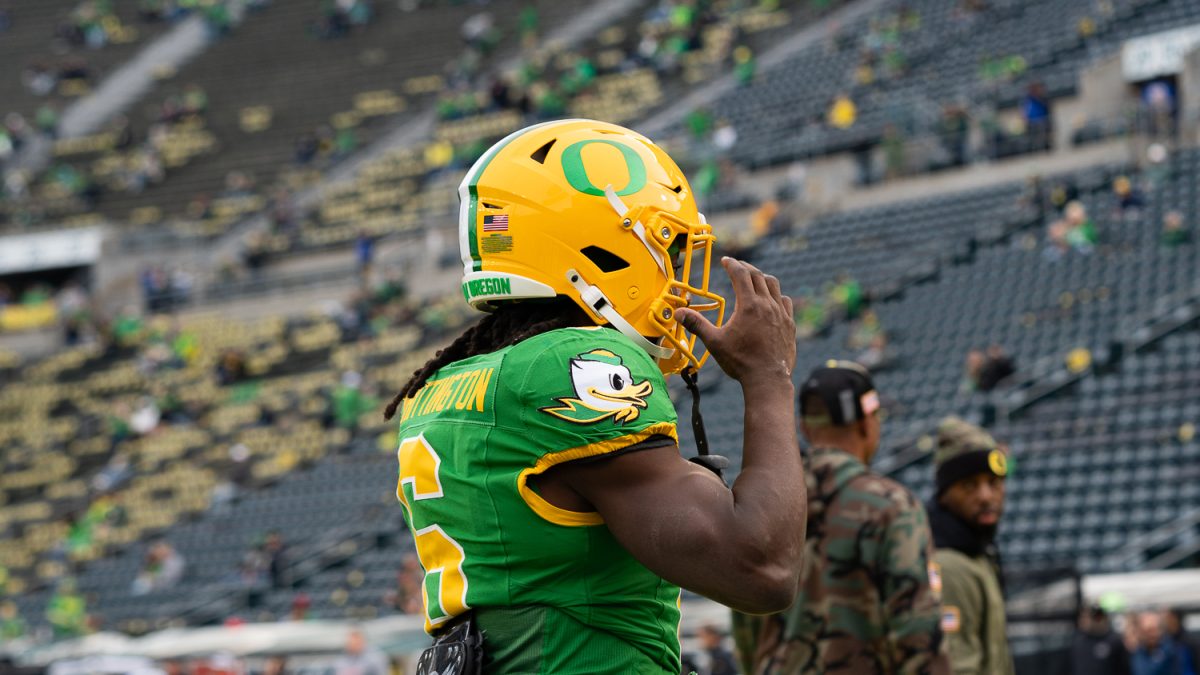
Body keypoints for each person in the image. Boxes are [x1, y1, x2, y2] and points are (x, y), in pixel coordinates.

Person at [386, 119, 806, 674]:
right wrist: (768, 379)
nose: (677, 277)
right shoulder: (567, 363)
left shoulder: (442, 387)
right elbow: (762, 567)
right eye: (668, 252)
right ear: (600, 245)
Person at [734, 361, 946, 674]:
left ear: (805, 427)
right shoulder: (891, 506)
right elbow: (919, 633)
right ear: (866, 423)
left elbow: (746, 628)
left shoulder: (764, 502)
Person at [927, 418, 1014, 675]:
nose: (986, 496)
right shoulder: (948, 565)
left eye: (994, 483)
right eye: (969, 485)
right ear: (944, 494)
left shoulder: (976, 552)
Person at [1071, 604, 1131, 675]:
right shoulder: (1078, 641)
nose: (1083, 621)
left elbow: (1124, 669)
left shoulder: (1114, 641)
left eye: (1086, 617)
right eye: (1082, 617)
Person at [1165, 609, 1200, 674]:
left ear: (1175, 619)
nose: (1166, 622)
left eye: (1168, 618)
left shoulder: (1190, 641)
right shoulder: (1166, 640)